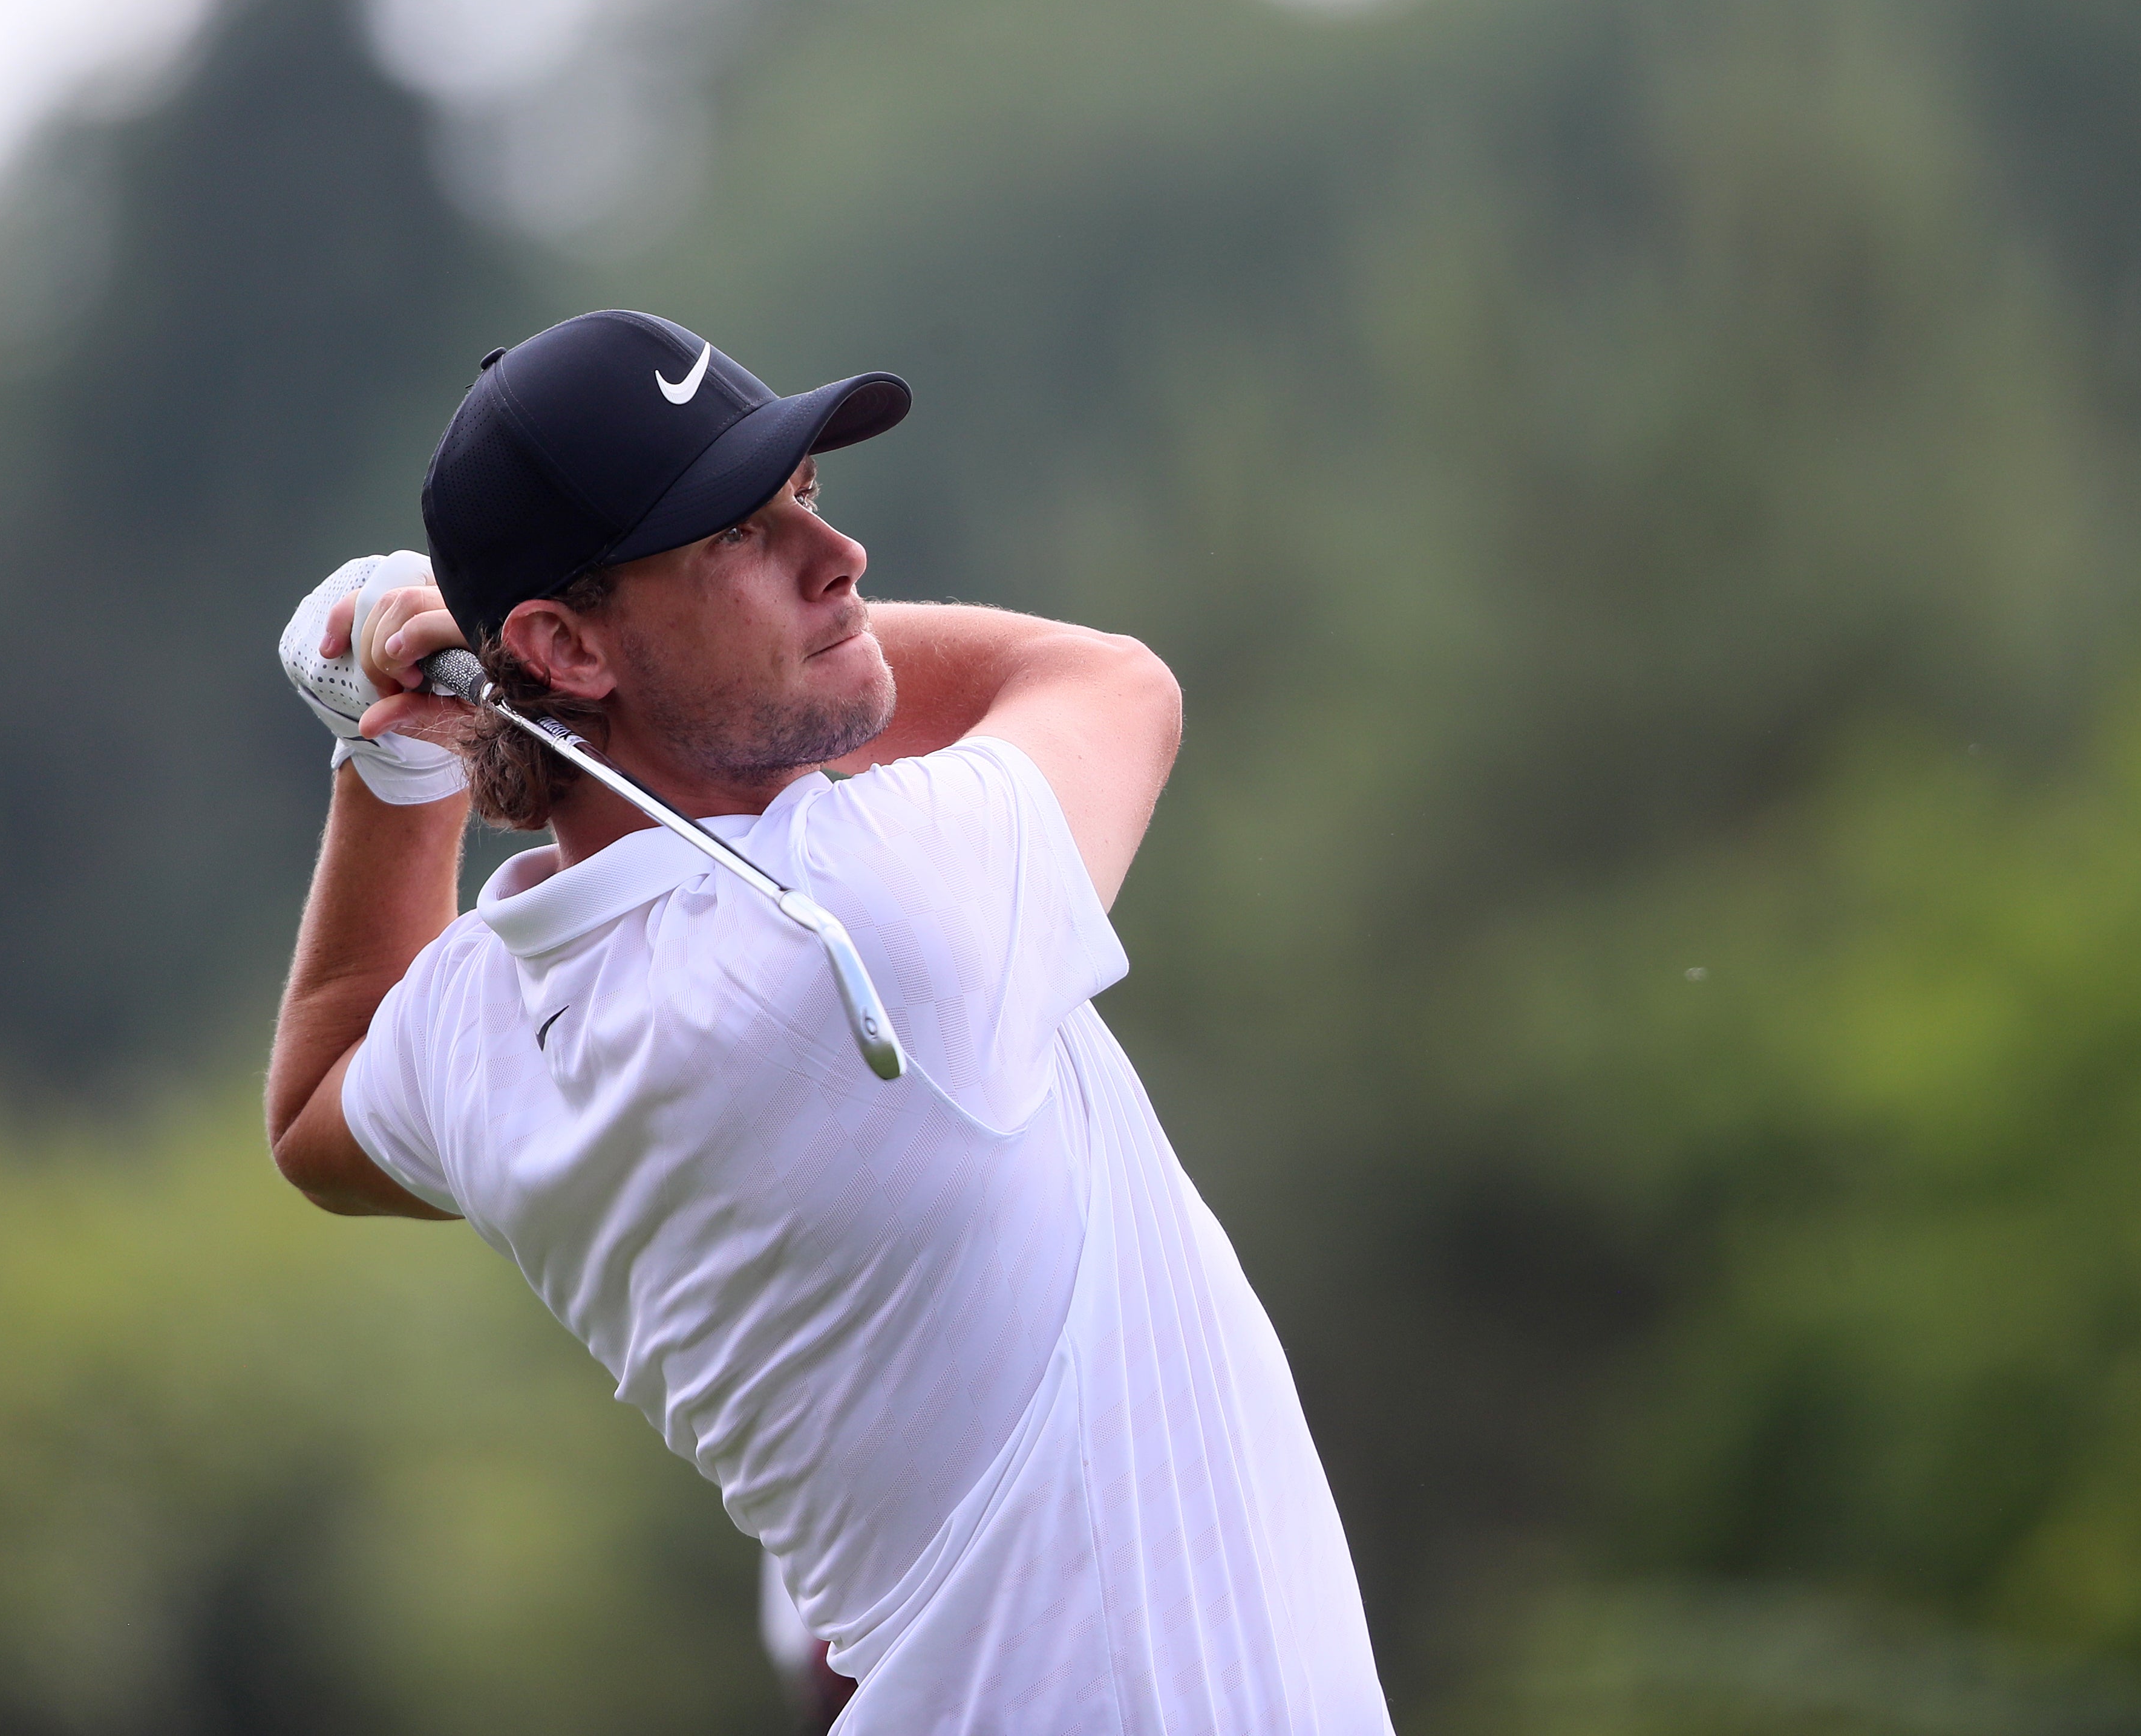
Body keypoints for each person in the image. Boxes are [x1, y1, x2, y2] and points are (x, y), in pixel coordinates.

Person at [266, 309, 1394, 1731]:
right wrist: (487, 688)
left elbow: (316, 1107)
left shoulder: (494, 1022)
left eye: (803, 497)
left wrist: (407, 765)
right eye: (739, 536)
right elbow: (1111, 680)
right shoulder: (876, 914)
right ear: (568, 643)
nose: (837, 559)